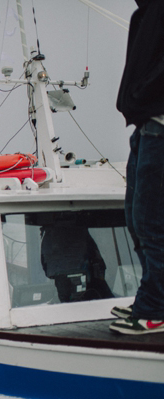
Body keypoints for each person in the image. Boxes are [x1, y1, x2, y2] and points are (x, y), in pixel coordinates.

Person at [110, 0, 164, 335]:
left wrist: (144, 93)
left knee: (150, 221)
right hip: (147, 123)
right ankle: (152, 296)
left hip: (159, 122)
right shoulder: (144, 12)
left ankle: (155, 307)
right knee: (135, 218)